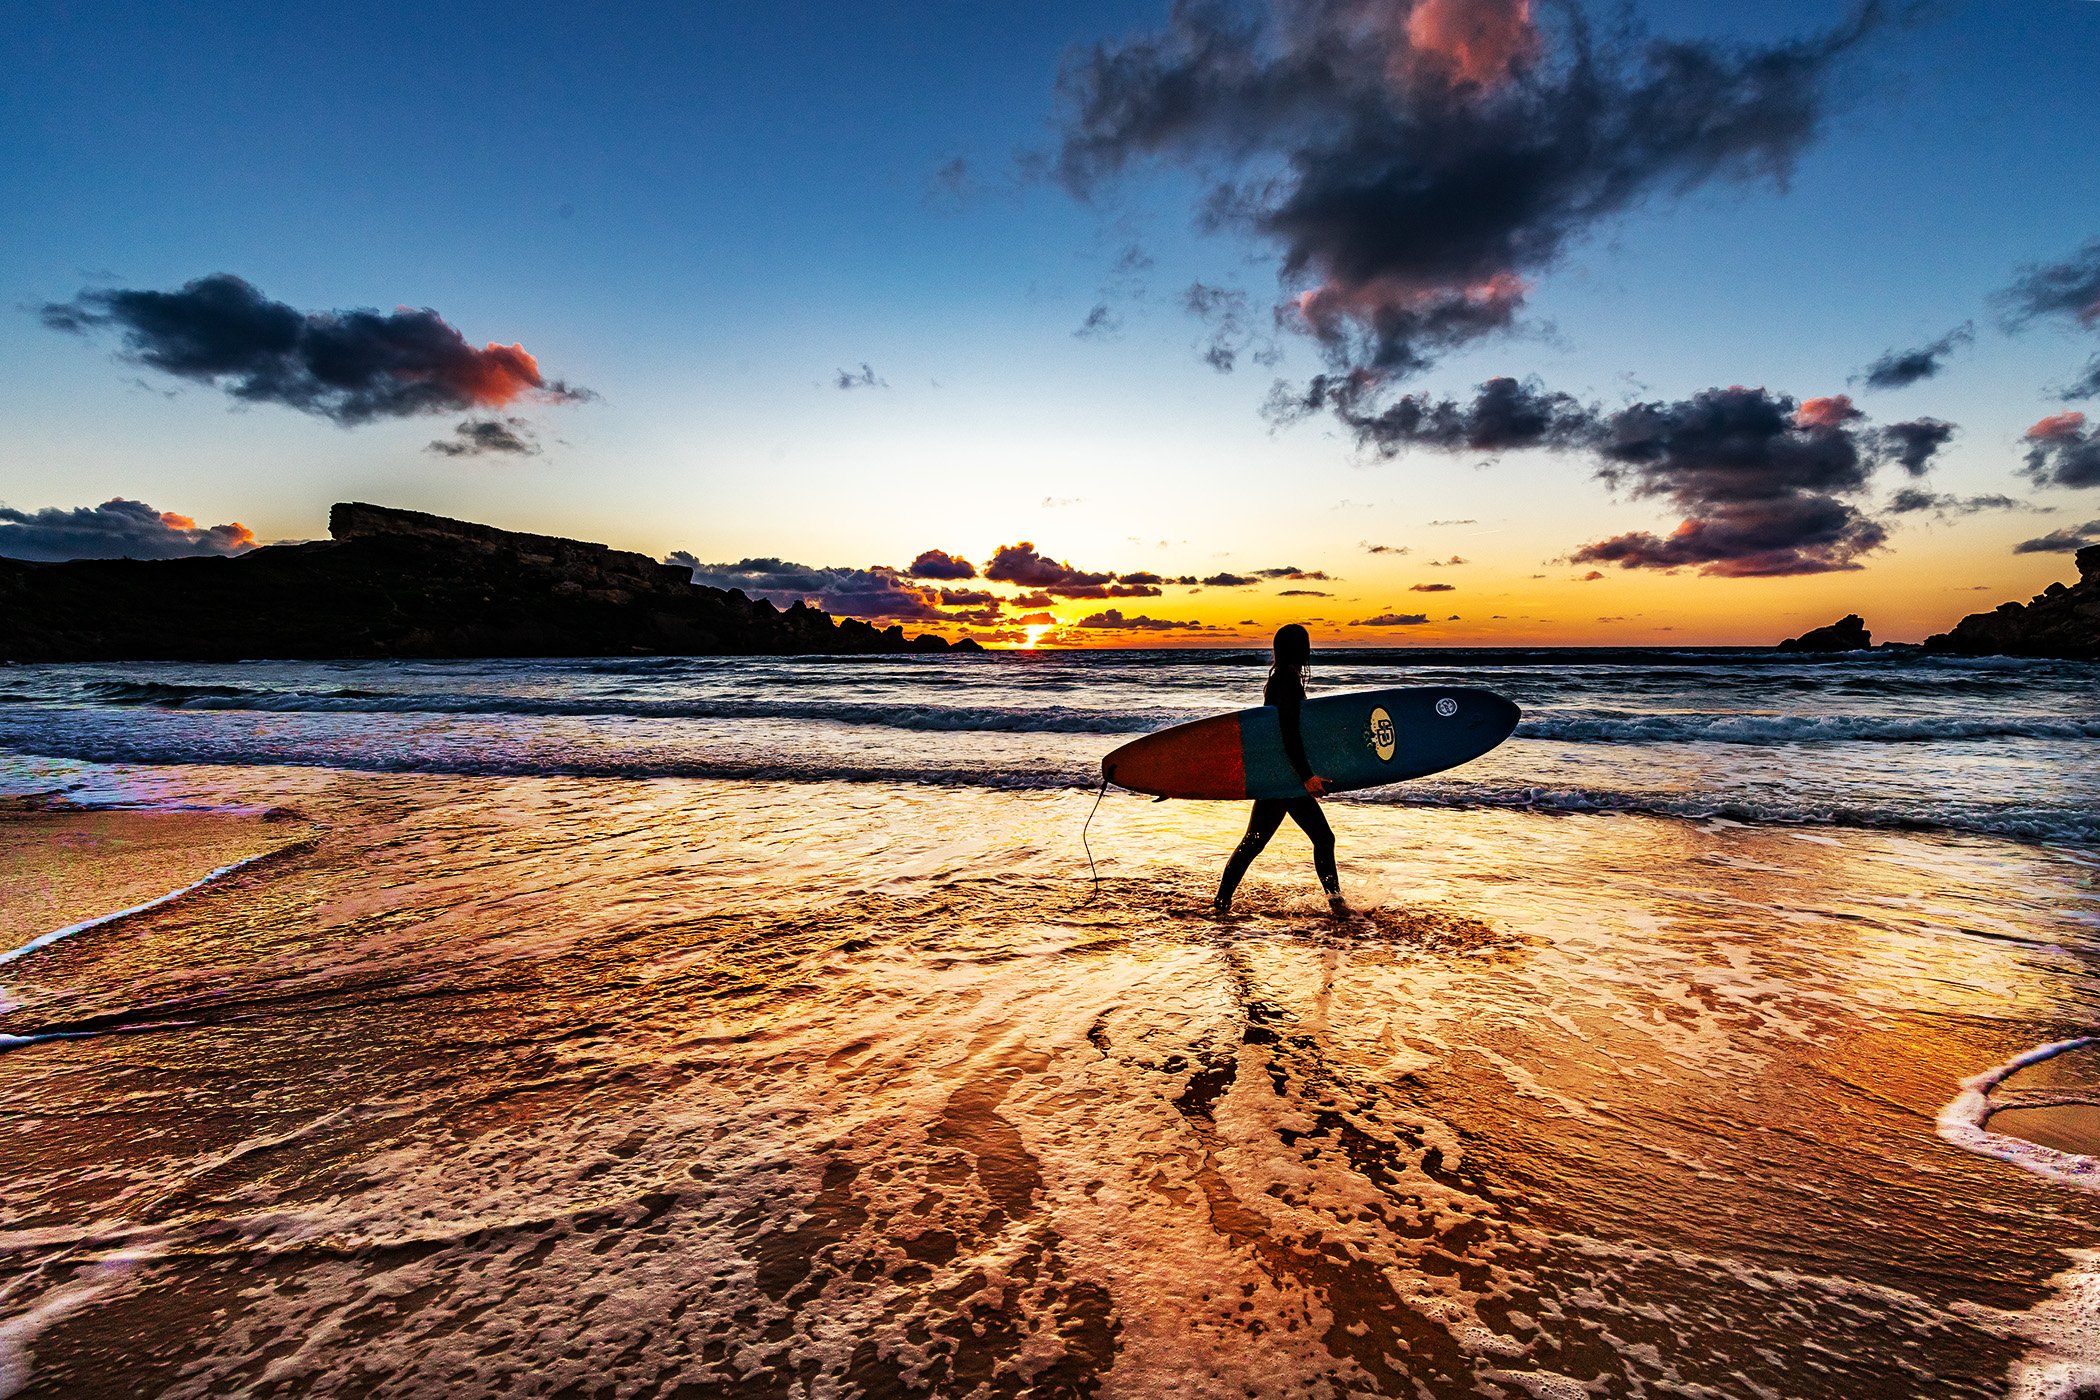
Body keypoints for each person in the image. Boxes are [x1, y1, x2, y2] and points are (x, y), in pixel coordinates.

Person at [1213, 624, 1349, 919]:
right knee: (1322, 839)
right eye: (1305, 645)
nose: (1309, 650)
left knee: (1253, 843)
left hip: (1279, 776)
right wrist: (1306, 776)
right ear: (1298, 649)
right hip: (1287, 778)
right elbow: (1288, 732)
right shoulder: (1287, 681)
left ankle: (1221, 904)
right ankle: (1337, 906)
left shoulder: (1280, 679)